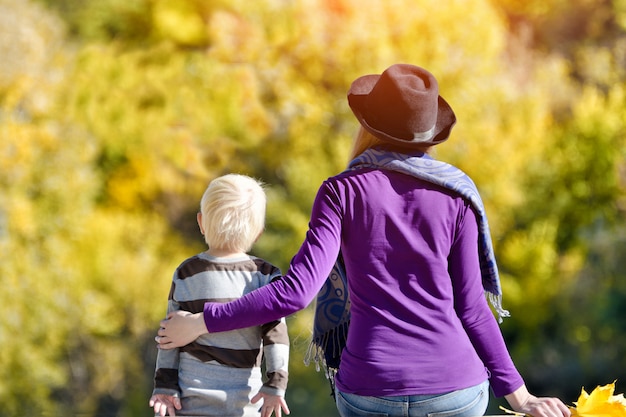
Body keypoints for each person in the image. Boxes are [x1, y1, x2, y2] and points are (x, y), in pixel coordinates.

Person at [155, 64, 571, 417]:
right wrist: (521, 396)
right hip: (455, 392)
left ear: (367, 124)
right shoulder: (456, 195)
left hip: (370, 392)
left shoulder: (341, 192)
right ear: (428, 134)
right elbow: (472, 308)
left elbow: (296, 294)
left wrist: (202, 321)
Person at [149, 173, 290, 417]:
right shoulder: (264, 275)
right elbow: (276, 337)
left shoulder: (187, 273)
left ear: (201, 222)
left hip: (190, 403)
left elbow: (168, 335)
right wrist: (276, 384)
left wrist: (164, 385)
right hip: (245, 405)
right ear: (259, 232)